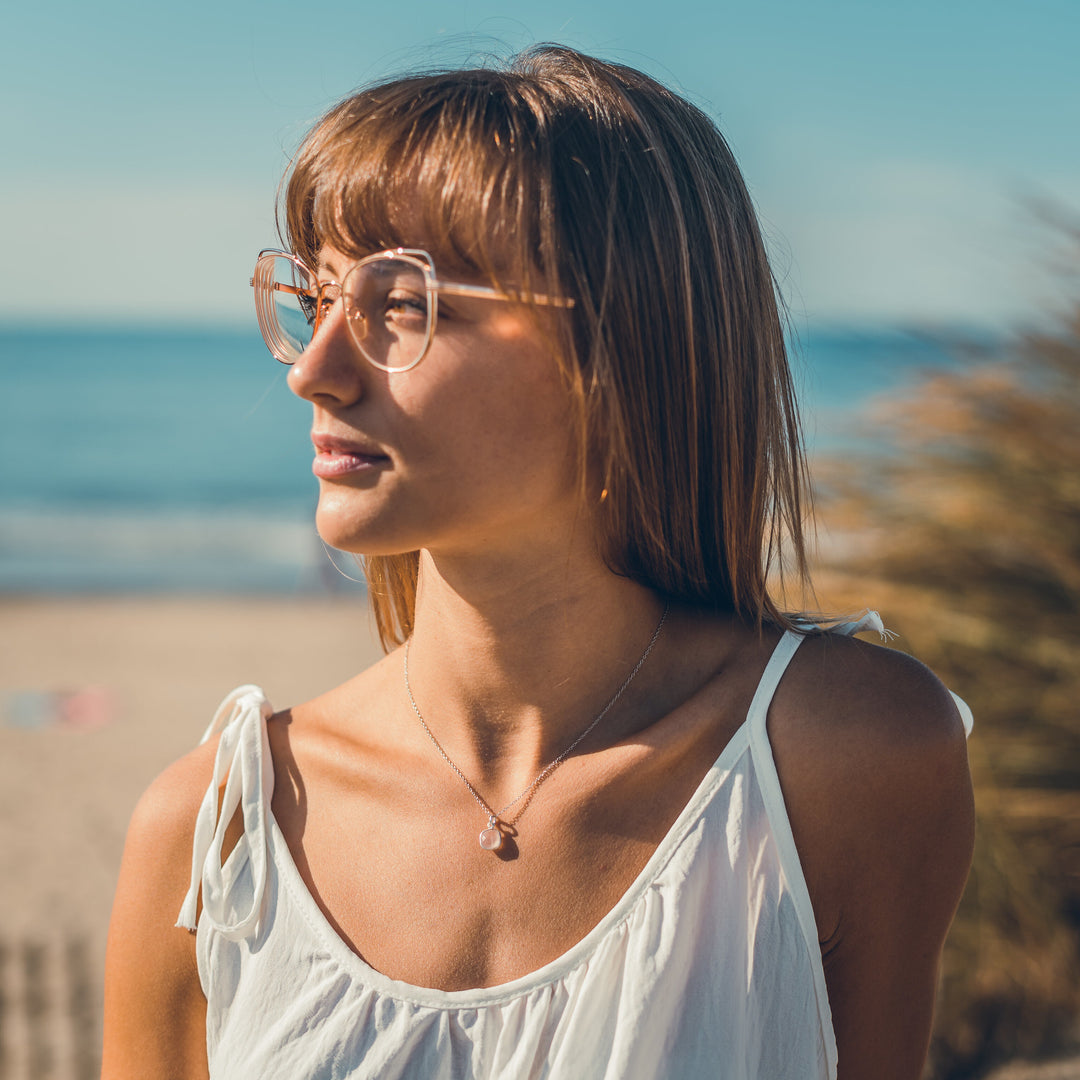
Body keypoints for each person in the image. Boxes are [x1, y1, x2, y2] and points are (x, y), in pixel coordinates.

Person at [102, 45, 974, 1079]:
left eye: (406, 306)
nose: (318, 372)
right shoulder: (221, 831)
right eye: (315, 300)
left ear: (623, 350)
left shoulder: (843, 761)